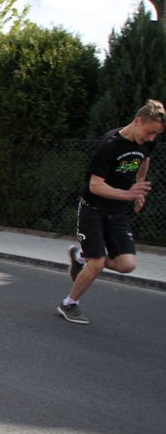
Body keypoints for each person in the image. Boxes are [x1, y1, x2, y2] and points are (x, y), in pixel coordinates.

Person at [61, 99, 165, 325]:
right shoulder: (110, 145)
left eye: (156, 135)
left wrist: (139, 187)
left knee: (127, 265)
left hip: (116, 211)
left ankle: (81, 257)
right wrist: (127, 194)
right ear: (137, 121)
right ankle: (69, 303)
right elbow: (95, 185)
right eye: (150, 132)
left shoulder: (147, 142)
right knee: (97, 264)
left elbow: (145, 158)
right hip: (93, 209)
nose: (151, 138)